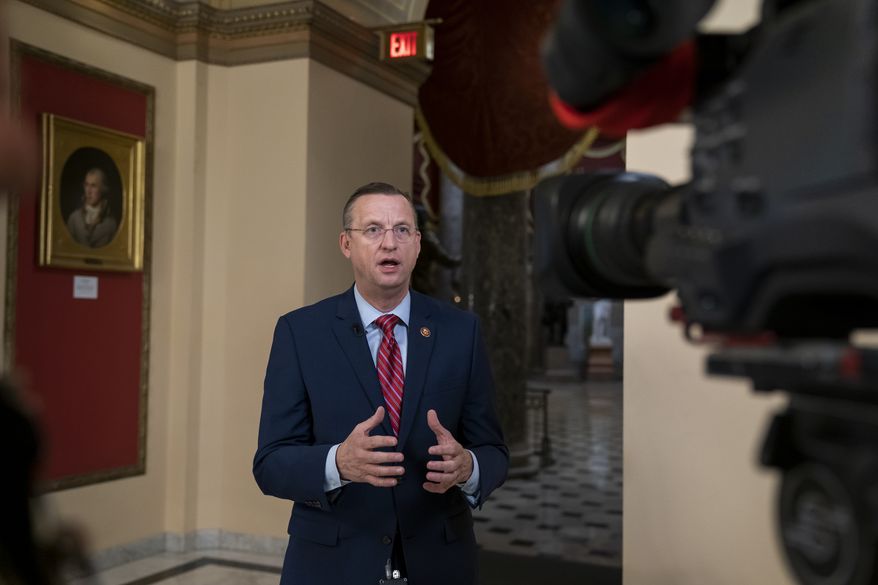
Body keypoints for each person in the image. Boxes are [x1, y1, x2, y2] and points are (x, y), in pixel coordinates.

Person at [253, 182, 508, 585]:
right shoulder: (300, 333)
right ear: (346, 244)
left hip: (439, 562)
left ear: (419, 244)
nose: (389, 243)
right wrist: (338, 463)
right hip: (332, 564)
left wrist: (469, 467)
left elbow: (493, 451)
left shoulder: (462, 332)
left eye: (402, 230)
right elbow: (270, 464)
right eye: (373, 230)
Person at [66, 167, 118, 248]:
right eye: (86, 185)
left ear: (102, 189)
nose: (88, 191)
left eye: (93, 186)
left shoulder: (111, 224)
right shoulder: (74, 219)